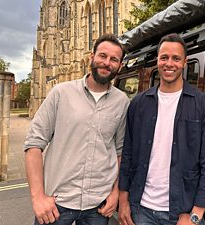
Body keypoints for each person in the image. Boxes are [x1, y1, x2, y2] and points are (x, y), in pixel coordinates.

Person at [118, 33, 205, 225]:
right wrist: (124, 201)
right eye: (164, 57)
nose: (169, 63)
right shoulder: (138, 104)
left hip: (182, 214)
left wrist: (195, 215)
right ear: (157, 60)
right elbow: (127, 156)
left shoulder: (203, 105)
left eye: (176, 58)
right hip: (141, 210)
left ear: (184, 62)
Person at [23, 34, 130, 225]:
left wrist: (115, 193)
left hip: (98, 205)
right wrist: (37, 197)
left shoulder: (122, 102)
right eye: (102, 56)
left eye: (114, 59)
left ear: (120, 66)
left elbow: (120, 152)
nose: (107, 63)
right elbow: (33, 145)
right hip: (57, 203)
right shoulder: (61, 93)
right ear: (92, 57)